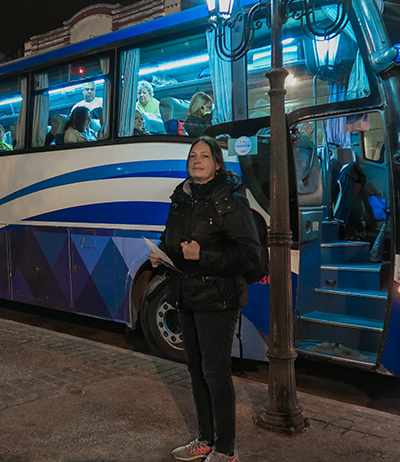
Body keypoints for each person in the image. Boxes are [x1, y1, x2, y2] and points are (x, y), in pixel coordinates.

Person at [150, 135, 261, 462]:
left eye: (204, 156)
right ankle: (204, 439)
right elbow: (173, 238)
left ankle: (225, 449)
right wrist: (162, 252)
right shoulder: (181, 197)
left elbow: (249, 256)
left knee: (215, 372)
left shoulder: (230, 199)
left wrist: (205, 255)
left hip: (218, 297)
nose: (197, 160)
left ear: (216, 164)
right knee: (196, 371)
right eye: (193, 155)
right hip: (186, 294)